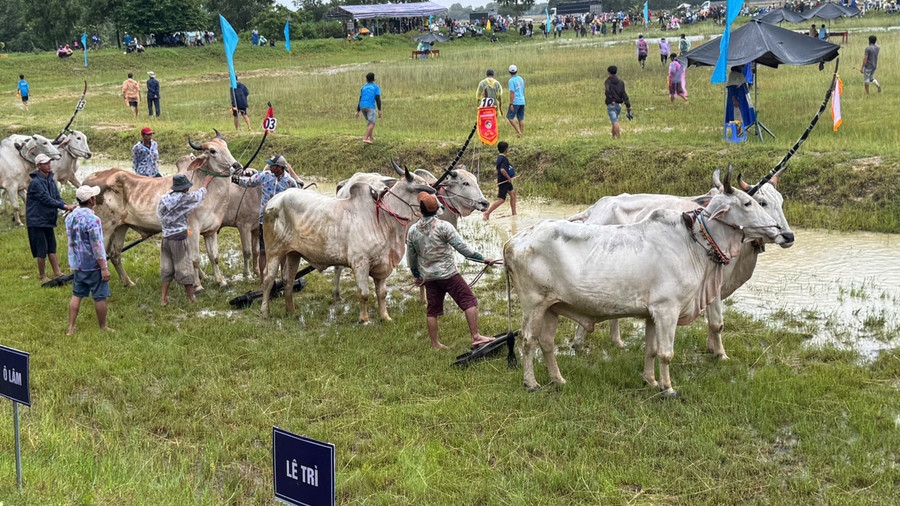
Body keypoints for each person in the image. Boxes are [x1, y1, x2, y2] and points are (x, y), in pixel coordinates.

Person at [406, 192, 497, 349]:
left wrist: (417, 275)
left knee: (432, 311)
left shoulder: (412, 231)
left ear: (421, 210)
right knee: (469, 300)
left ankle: (435, 344)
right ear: (437, 210)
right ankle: (476, 336)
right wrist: (482, 259)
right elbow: (462, 248)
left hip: (429, 278)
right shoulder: (444, 226)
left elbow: (411, 258)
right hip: (448, 274)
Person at [232, 154, 299, 280]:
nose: (269, 166)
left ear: (279, 168)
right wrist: (235, 179)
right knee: (263, 251)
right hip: (265, 219)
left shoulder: (290, 182)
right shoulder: (265, 176)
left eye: (272, 165)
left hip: (281, 221)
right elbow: (248, 182)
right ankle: (263, 279)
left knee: (283, 251)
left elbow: (296, 197)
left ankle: (284, 278)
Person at [156, 173, 213, 305]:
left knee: (167, 268)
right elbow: (199, 196)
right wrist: (206, 182)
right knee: (185, 268)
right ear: (184, 188)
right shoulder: (184, 198)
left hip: (166, 238)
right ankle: (191, 297)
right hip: (179, 238)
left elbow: (159, 214)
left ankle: (163, 298)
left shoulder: (165, 197)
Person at [65, 185, 114, 335]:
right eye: (94, 196)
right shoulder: (94, 220)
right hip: (93, 265)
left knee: (77, 295)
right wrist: (104, 267)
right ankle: (102, 326)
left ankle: (71, 327)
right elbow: (97, 245)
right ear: (91, 200)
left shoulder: (70, 217)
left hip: (77, 263)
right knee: (100, 296)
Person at [27, 154, 76, 283]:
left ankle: (57, 272)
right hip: (37, 221)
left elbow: (56, 197)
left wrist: (65, 205)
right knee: (41, 248)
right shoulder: (36, 183)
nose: (49, 165)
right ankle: (42, 275)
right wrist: (64, 206)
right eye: (45, 163)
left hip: (48, 219)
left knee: (52, 247)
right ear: (39, 166)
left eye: (49, 162)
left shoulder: (50, 179)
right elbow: (45, 199)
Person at [483, 141, 517, 220]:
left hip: (504, 180)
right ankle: (487, 213)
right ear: (506, 150)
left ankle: (514, 213)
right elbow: (502, 170)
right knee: (501, 199)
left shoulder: (499, 157)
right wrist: (508, 178)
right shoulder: (504, 159)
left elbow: (498, 169)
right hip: (504, 181)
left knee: (513, 195)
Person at [604, 65, 632, 139]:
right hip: (619, 105)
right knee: (614, 120)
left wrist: (611, 100)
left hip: (612, 104)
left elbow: (607, 92)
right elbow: (624, 94)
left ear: (609, 73)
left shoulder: (608, 82)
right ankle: (613, 137)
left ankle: (619, 138)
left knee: (615, 122)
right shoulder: (621, 82)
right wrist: (628, 105)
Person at [355, 72, 382, 144]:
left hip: (362, 106)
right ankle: (365, 138)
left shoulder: (363, 87)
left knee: (370, 122)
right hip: (370, 106)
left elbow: (360, 98)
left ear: (366, 80)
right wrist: (379, 110)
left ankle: (371, 137)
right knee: (372, 123)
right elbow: (377, 98)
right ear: (374, 79)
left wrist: (357, 111)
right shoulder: (376, 87)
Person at [507, 64, 526, 137]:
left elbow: (512, 92)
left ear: (509, 72)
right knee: (521, 118)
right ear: (516, 71)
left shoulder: (511, 81)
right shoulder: (520, 79)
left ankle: (518, 131)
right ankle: (521, 133)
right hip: (522, 100)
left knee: (510, 117)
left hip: (516, 101)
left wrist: (511, 103)